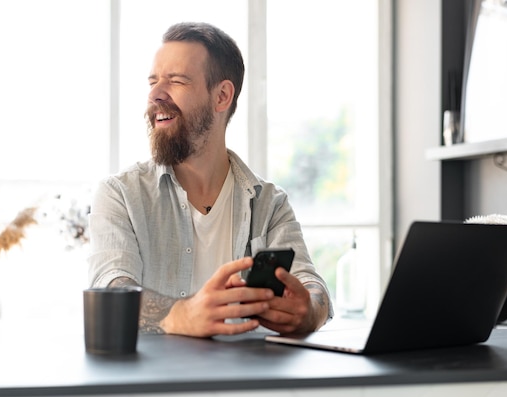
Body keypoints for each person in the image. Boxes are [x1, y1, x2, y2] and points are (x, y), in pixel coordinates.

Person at [88, 22, 333, 338]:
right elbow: (111, 287)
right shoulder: (119, 194)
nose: (155, 95)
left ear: (222, 96)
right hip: (150, 383)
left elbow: (312, 285)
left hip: (246, 382)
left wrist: (309, 311)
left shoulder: (269, 202)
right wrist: (181, 315)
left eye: (176, 81)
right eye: (153, 82)